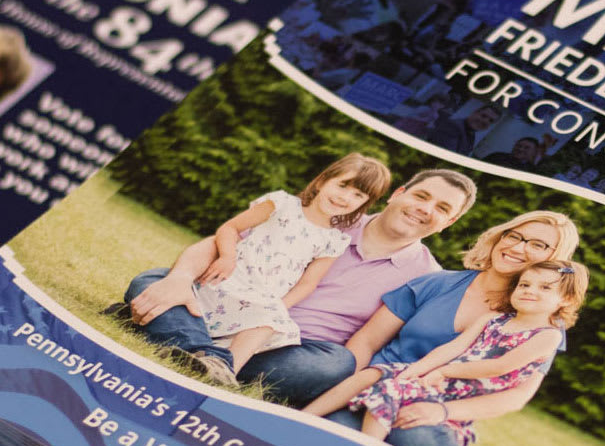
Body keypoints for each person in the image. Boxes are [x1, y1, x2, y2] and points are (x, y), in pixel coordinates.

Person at [122, 168, 476, 400]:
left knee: (336, 363)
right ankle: (210, 357)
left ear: (451, 221)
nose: (425, 209)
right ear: (398, 193)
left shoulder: (426, 277)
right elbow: (220, 242)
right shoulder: (325, 216)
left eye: (443, 208)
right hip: (225, 309)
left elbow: (370, 345)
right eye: (421, 196)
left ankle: (183, 342)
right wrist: (181, 278)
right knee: (153, 279)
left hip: (288, 351)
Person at [322, 209, 581, 446]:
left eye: (538, 244)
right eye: (514, 236)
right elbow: (367, 341)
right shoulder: (437, 282)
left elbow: (514, 397)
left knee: (419, 440)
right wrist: (348, 389)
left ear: (556, 262)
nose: (518, 247)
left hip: (439, 408)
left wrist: (442, 412)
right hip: (383, 384)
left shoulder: (539, 327)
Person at [306, 260, 588, 446]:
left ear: (566, 299)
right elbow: (454, 347)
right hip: (438, 377)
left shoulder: (548, 336)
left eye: (544, 288)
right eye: (525, 284)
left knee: (391, 391)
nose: (529, 291)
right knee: (373, 374)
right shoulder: (493, 318)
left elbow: (498, 366)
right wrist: (418, 370)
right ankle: (306, 416)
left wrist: (443, 372)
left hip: (459, 391)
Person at [192, 153, 391, 381]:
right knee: (262, 319)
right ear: (322, 181)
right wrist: (227, 257)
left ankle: (223, 369)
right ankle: (219, 363)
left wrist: (278, 307)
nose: (345, 197)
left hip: (264, 298)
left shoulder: (334, 240)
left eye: (358, 195)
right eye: (343, 185)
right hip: (233, 279)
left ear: (363, 205)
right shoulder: (281, 204)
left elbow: (309, 283)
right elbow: (230, 227)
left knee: (271, 322)